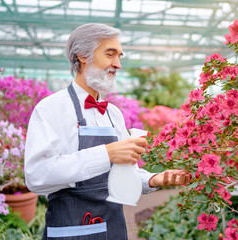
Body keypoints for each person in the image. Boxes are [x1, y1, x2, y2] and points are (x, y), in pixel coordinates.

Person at [24, 23, 191, 240]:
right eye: (110, 54)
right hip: (72, 230)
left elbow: (122, 172)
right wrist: (106, 154)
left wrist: (153, 179)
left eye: (120, 56)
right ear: (83, 56)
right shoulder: (51, 109)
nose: (118, 64)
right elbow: (37, 175)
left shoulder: (113, 113)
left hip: (114, 229)